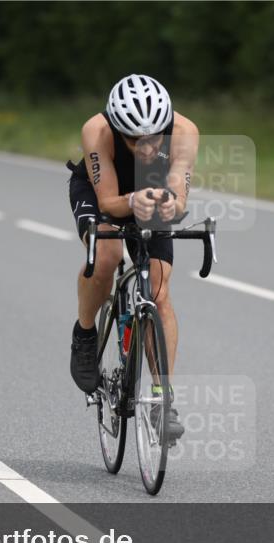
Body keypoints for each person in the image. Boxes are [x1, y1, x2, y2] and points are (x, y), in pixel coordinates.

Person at [67, 74, 199, 438]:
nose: (144, 148)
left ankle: (162, 398)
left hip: (152, 190)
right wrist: (129, 201)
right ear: (115, 127)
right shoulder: (97, 130)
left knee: (158, 289)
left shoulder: (184, 131)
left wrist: (170, 204)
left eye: (153, 139)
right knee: (106, 255)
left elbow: (178, 185)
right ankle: (85, 334)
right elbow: (109, 200)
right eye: (133, 140)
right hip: (102, 193)